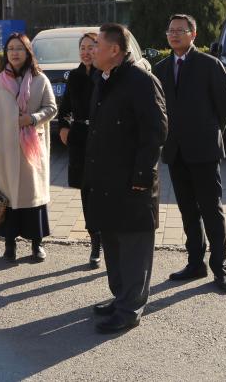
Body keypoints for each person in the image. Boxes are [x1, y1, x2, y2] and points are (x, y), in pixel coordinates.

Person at [86, 23, 167, 334]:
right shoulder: (103, 79)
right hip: (106, 180)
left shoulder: (141, 81)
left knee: (134, 246)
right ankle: (121, 297)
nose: (91, 50)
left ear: (115, 50)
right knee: (113, 243)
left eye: (97, 45)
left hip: (133, 181)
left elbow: (156, 131)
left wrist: (143, 176)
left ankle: (130, 309)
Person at [153, 14, 226, 294]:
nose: (174, 34)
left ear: (193, 34)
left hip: (204, 149)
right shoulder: (161, 68)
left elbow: (225, 105)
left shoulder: (209, 65)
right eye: (170, 30)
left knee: (211, 210)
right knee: (188, 210)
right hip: (175, 151)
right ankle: (195, 262)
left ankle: (220, 268)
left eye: (180, 30)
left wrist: (210, 132)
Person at [0, 32, 57, 263]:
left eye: (20, 48)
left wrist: (32, 119)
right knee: (8, 198)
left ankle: (37, 244)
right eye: (11, 48)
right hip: (3, 149)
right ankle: (9, 244)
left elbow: (52, 108)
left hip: (32, 150)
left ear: (28, 52)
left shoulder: (40, 79)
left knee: (33, 197)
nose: (15, 53)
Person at [57, 32, 101, 267]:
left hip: (103, 139)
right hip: (80, 139)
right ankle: (95, 241)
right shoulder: (74, 76)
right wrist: (64, 127)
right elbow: (64, 107)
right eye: (82, 48)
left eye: (91, 47)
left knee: (102, 189)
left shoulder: (106, 74)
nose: (86, 52)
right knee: (86, 191)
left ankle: (107, 236)